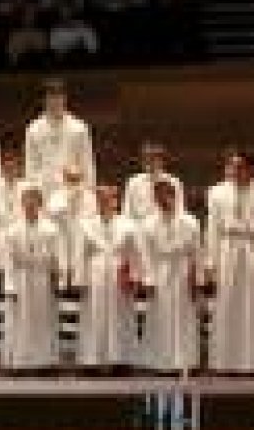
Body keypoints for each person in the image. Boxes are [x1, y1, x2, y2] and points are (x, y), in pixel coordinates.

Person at [71, 185, 142, 373]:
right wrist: (80, 281)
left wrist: (134, 277)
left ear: (116, 201)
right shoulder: (85, 224)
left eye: (109, 198)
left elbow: (135, 253)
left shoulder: (128, 224)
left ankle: (121, 359)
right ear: (97, 201)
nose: (106, 202)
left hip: (119, 272)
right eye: (101, 199)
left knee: (121, 316)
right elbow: (79, 254)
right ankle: (91, 360)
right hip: (95, 273)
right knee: (94, 315)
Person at [139, 179, 203, 373]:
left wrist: (197, 280)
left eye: (166, 195)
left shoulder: (190, 221)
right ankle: (160, 361)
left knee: (184, 317)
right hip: (160, 272)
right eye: (158, 196)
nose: (162, 200)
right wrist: (148, 279)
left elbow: (196, 253)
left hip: (182, 271)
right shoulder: (148, 223)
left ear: (174, 195)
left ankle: (184, 360)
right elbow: (145, 254)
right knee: (161, 316)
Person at [0, 186, 63, 372]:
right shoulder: (12, 230)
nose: (30, 205)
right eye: (26, 202)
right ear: (22, 203)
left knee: (42, 319)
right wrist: (10, 286)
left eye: (34, 202)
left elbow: (57, 257)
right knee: (20, 320)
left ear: (40, 204)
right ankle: (19, 361)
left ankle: (45, 361)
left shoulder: (51, 229)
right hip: (21, 278)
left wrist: (57, 279)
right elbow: (7, 260)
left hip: (42, 278)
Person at [204, 151, 254, 373]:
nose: (236, 171)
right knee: (226, 305)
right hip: (227, 251)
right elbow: (212, 228)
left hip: (251, 248)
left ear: (250, 168)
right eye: (233, 166)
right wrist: (210, 263)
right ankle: (224, 361)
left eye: (241, 166)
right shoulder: (217, 192)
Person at [24, 79, 96, 195]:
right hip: (44, 191)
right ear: (44, 100)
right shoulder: (34, 129)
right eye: (51, 97)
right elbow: (31, 167)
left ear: (65, 99)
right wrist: (33, 192)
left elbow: (87, 163)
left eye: (59, 96)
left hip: (73, 190)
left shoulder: (79, 128)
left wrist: (89, 193)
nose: (55, 101)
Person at [122, 142, 185, 222]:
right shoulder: (134, 182)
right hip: (139, 228)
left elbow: (179, 211)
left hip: (166, 228)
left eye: (153, 159)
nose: (149, 163)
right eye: (146, 159)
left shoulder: (174, 182)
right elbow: (127, 211)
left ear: (161, 161)